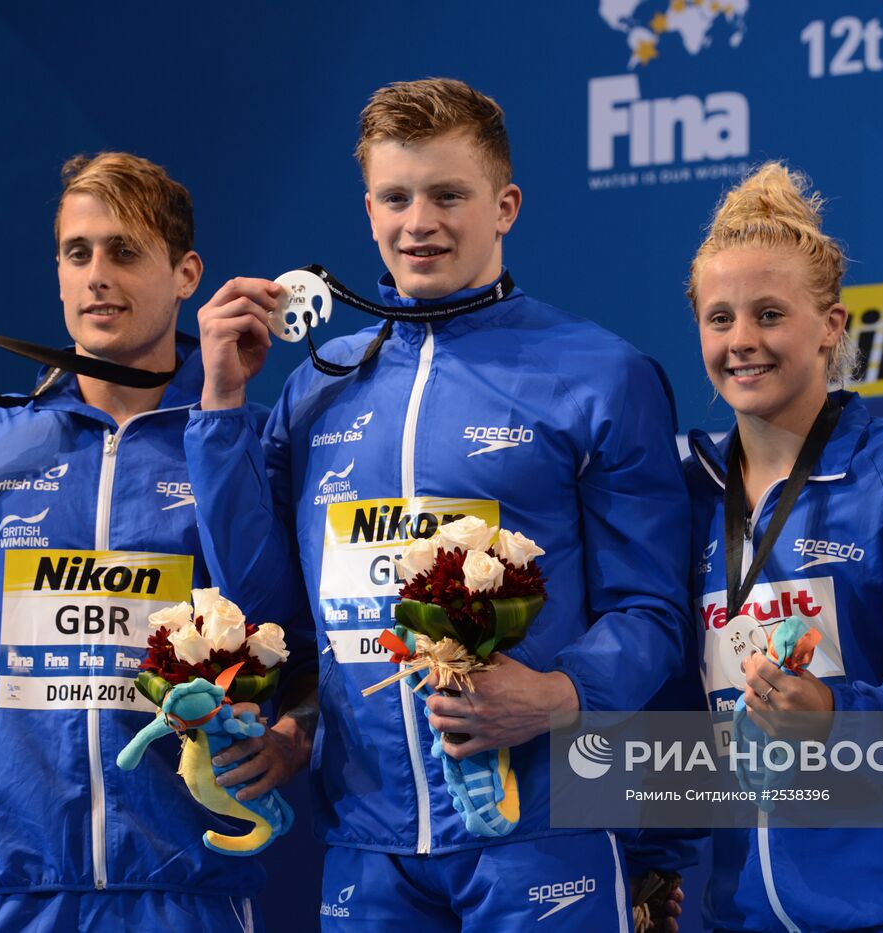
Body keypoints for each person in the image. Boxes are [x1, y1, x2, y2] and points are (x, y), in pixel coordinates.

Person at [184, 77, 692, 930]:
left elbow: (653, 612)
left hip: (545, 828)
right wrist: (223, 405)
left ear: (506, 205)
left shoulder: (602, 374)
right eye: (396, 197)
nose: (419, 223)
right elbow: (269, 607)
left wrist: (560, 692)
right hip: (365, 839)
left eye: (448, 194)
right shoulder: (318, 386)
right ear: (369, 209)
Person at [0, 152, 275, 931]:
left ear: (186, 274)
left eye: (125, 251)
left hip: (187, 884)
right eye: (77, 254)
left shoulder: (238, 441)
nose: (96, 275)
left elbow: (291, 629)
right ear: (56, 272)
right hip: (3, 885)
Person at [634, 162, 883, 932]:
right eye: (719, 318)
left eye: (769, 314)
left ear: (831, 325)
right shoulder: (689, 492)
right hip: (742, 912)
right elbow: (675, 706)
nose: (742, 342)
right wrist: (655, 860)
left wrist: (835, 713)